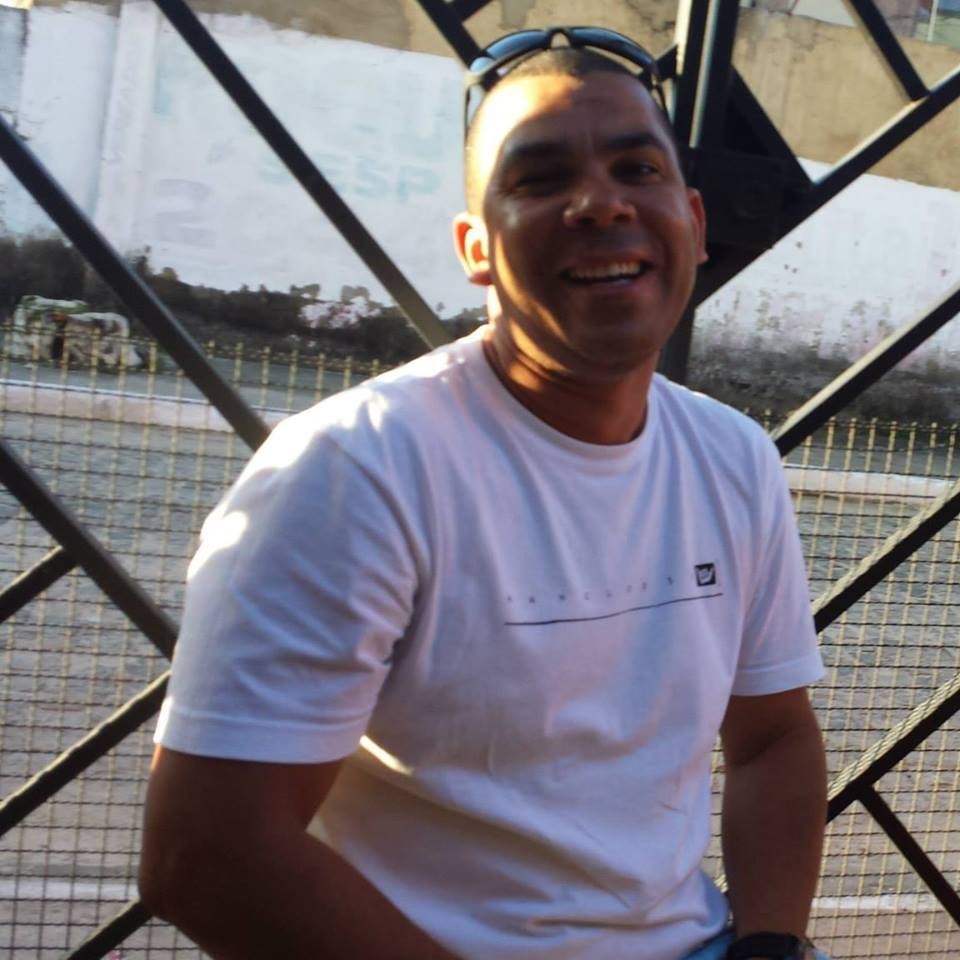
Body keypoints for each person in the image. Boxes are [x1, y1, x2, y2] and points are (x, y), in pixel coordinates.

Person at [139, 27, 829, 960]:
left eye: (638, 169)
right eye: (539, 179)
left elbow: (774, 739)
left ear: (695, 224)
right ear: (476, 247)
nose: (601, 202)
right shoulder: (355, 469)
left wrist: (772, 948)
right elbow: (208, 853)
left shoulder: (733, 458)